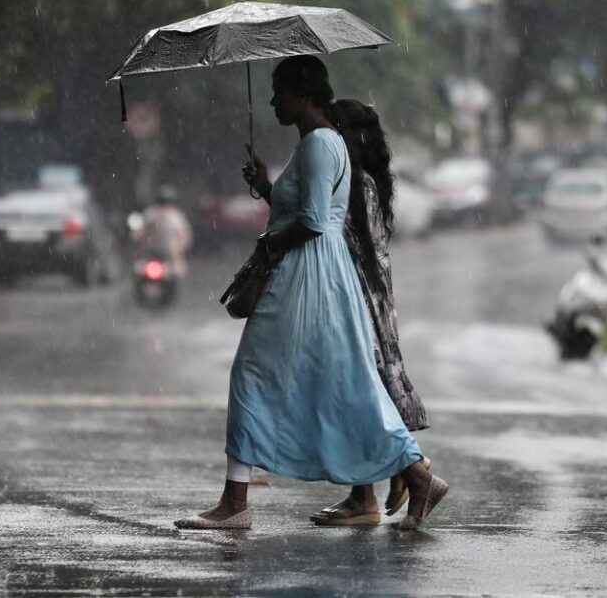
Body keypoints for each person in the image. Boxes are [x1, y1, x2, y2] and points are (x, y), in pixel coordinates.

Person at [173, 55, 447, 531]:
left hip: (307, 277)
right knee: (344, 383)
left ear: (303, 94)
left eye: (280, 92)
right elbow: (306, 207)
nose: (275, 101)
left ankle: (235, 504)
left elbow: (316, 221)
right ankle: (417, 474)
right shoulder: (323, 142)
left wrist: (268, 244)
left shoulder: (320, 143)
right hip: (318, 273)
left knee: (253, 374)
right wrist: (267, 187)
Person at [309, 98, 431, 526]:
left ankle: (403, 476)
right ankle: (375, 488)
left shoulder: (353, 183)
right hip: (371, 299)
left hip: (354, 301)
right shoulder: (371, 181)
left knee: (359, 393)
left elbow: (322, 229)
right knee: (361, 393)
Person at [134, 184, 192, 277]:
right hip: (161, 255)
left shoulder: (149, 214)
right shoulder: (176, 216)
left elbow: (138, 235)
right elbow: (185, 238)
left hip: (160, 255)